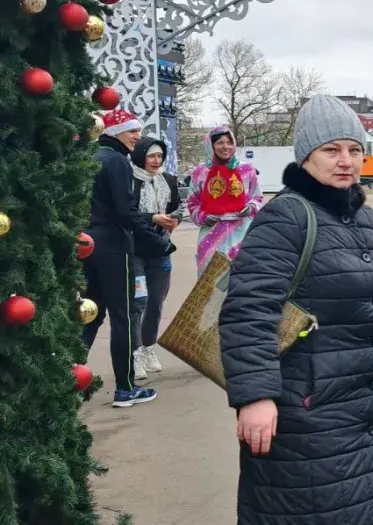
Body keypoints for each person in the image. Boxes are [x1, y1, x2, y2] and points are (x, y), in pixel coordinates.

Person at [220, 95, 373, 525]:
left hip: (351, 412)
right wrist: (255, 397)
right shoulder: (285, 217)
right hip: (302, 414)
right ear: (306, 156)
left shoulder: (363, 218)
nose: (346, 161)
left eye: (355, 150)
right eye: (331, 150)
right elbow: (249, 310)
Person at [82, 109, 173, 407]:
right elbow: (126, 212)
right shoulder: (117, 161)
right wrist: (157, 242)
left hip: (88, 245)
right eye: (131, 131)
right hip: (114, 247)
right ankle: (125, 387)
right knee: (122, 317)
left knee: (90, 314)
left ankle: (70, 380)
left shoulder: (89, 158)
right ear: (114, 131)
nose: (137, 136)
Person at [129, 135, 183, 380]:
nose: (155, 160)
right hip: (135, 250)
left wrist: (176, 218)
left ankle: (150, 347)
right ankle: (135, 353)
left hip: (160, 249)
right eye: (151, 155)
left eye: (159, 156)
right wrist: (152, 217)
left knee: (156, 302)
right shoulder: (130, 180)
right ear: (140, 156)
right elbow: (126, 213)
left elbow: (179, 205)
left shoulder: (168, 180)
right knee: (138, 303)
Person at [186, 126, 264, 275]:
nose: (225, 147)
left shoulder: (247, 170)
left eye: (229, 142)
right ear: (211, 145)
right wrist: (203, 217)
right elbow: (192, 203)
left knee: (243, 280)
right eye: (220, 143)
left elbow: (258, 197)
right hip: (212, 234)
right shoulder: (200, 172)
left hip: (242, 233)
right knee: (210, 286)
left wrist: (251, 207)